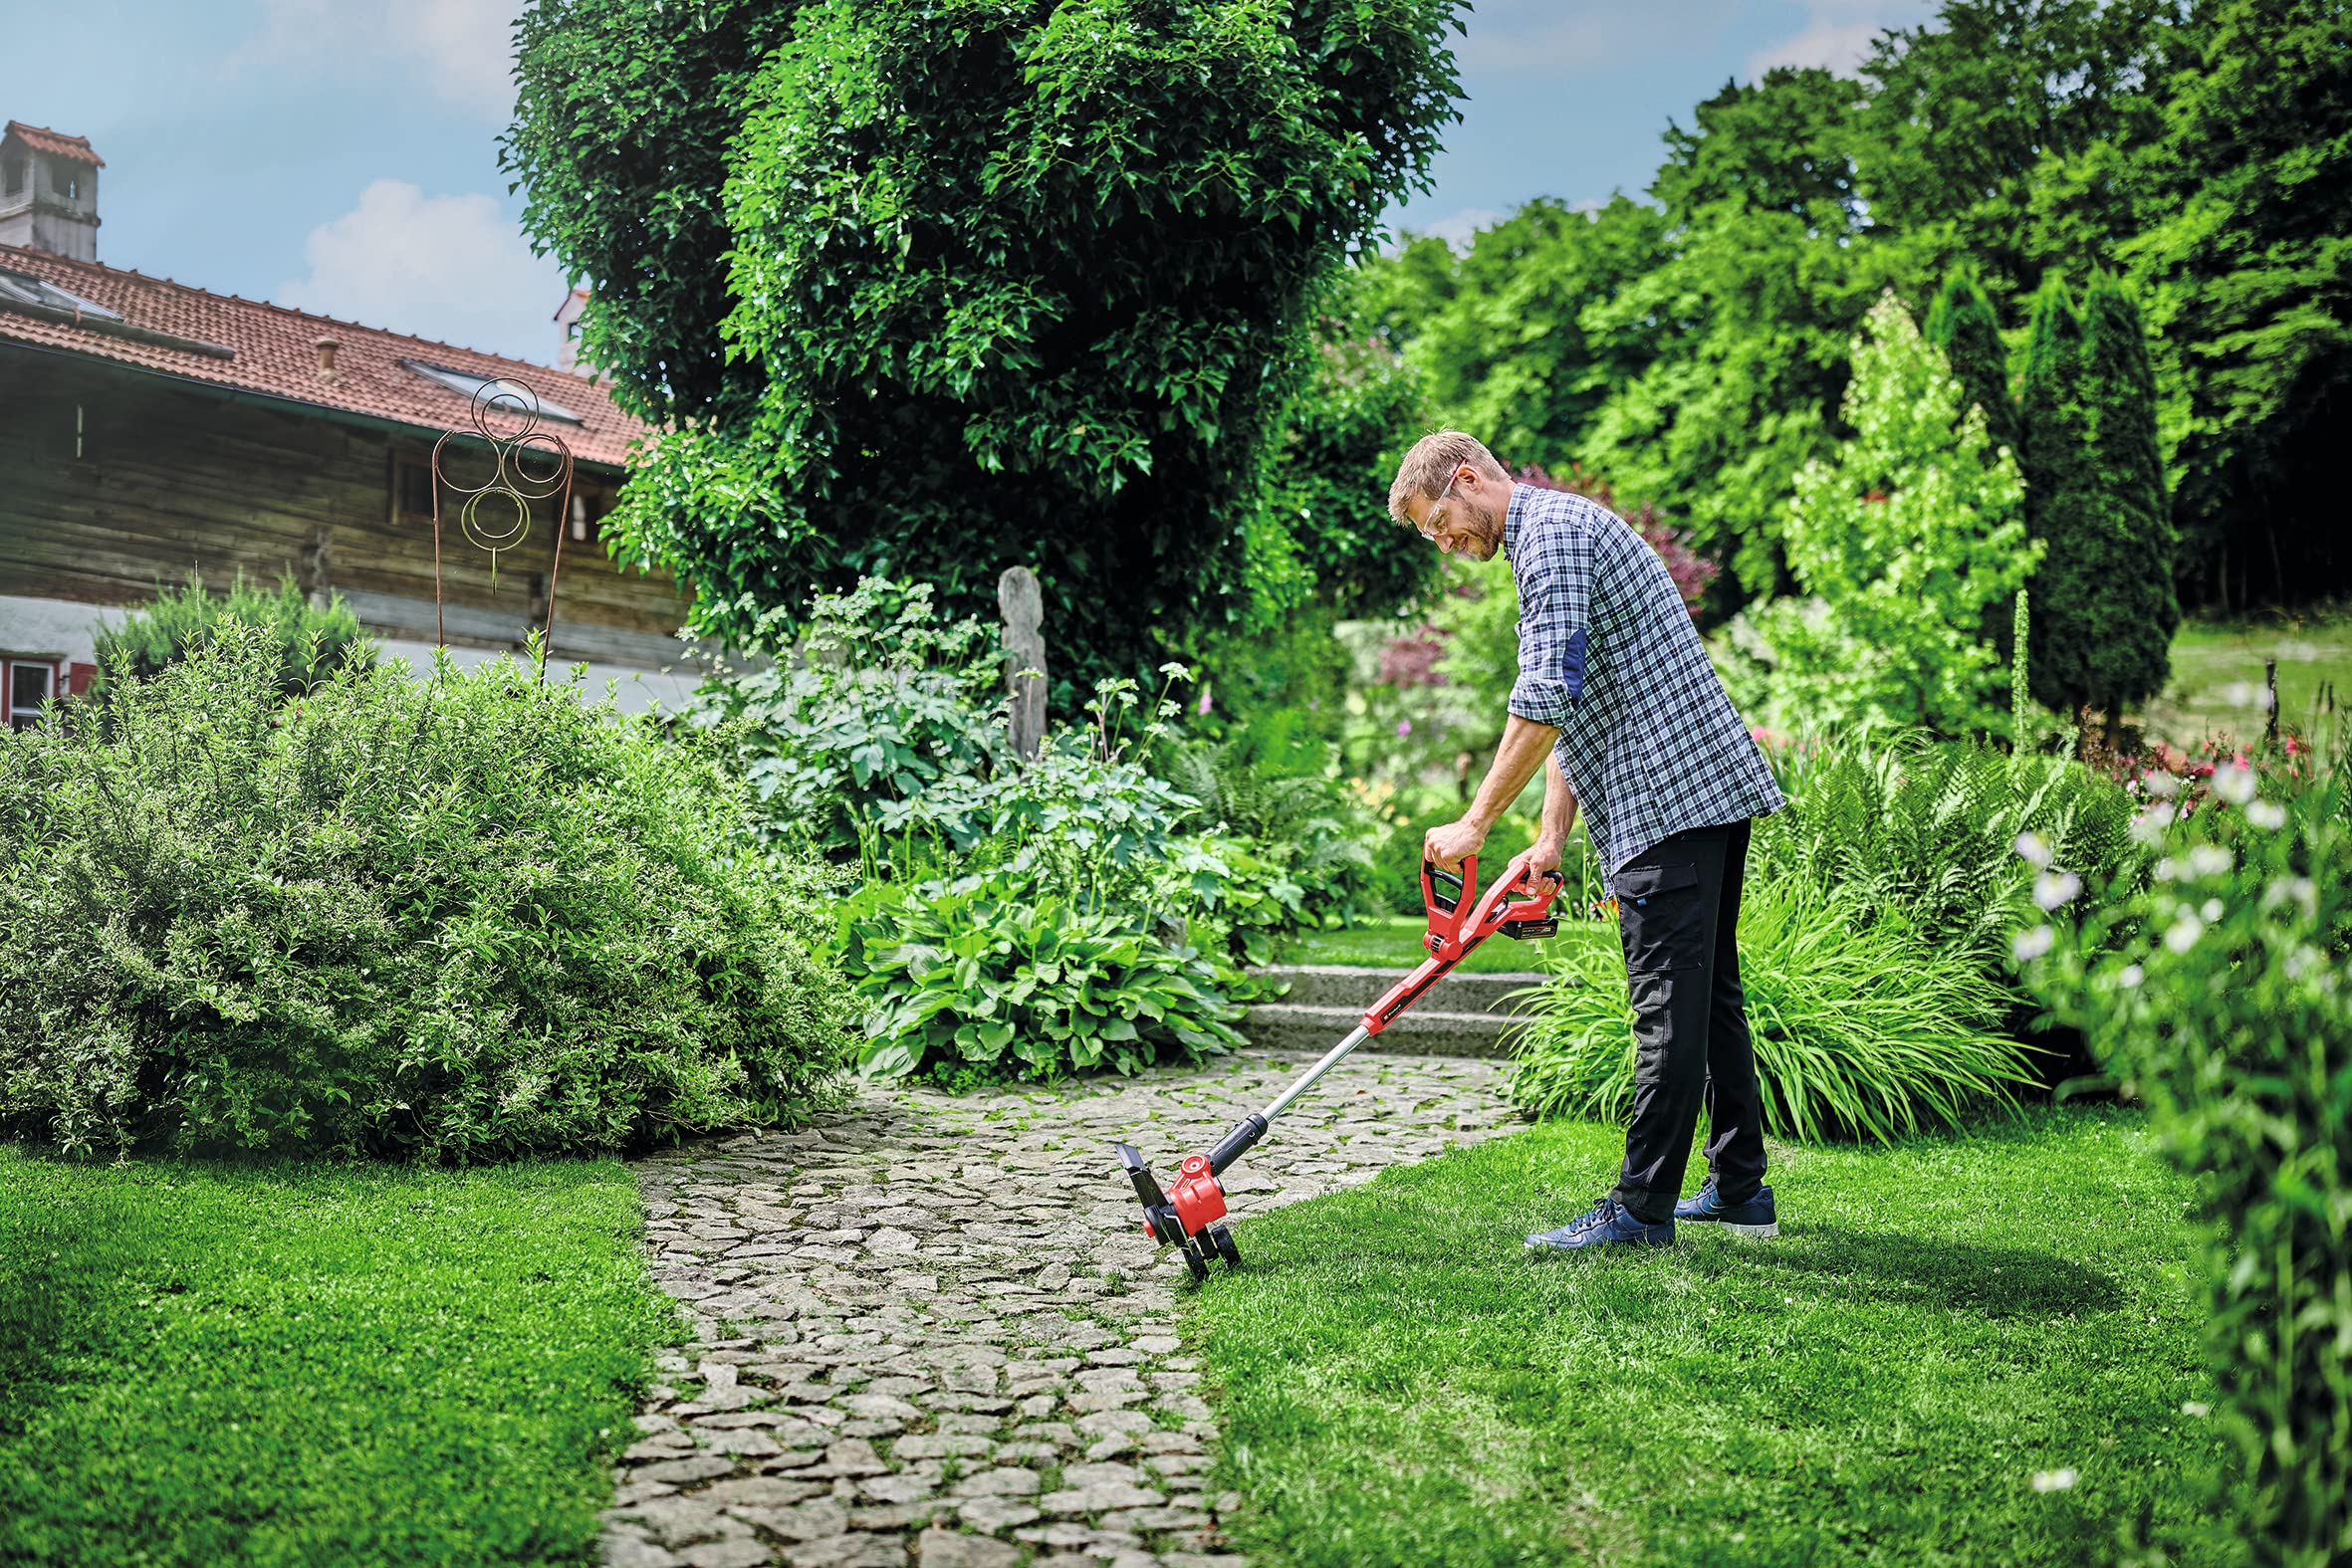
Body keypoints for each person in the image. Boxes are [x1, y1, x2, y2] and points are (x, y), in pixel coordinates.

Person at [1389, 432, 1785, 1251]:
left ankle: (1641, 1209)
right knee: (1708, 1002)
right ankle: (1742, 1186)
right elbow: (1575, 706)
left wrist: (1475, 823)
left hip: (1668, 796)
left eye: (1441, 525)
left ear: (1466, 478)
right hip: (1696, 792)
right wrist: (1548, 836)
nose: (1449, 547)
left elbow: (1542, 697)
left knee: (1667, 1008)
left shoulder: (1553, 542)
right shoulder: (1554, 536)